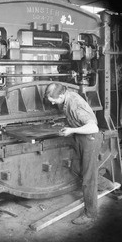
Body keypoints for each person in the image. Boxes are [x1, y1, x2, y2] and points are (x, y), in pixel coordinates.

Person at [44, 82, 104, 225]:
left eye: (54, 100)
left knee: (88, 178)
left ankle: (91, 213)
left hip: (90, 139)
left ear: (62, 95)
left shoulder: (74, 103)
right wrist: (67, 125)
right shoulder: (67, 97)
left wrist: (72, 130)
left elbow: (93, 127)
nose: (53, 104)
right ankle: (99, 182)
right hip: (80, 137)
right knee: (77, 169)